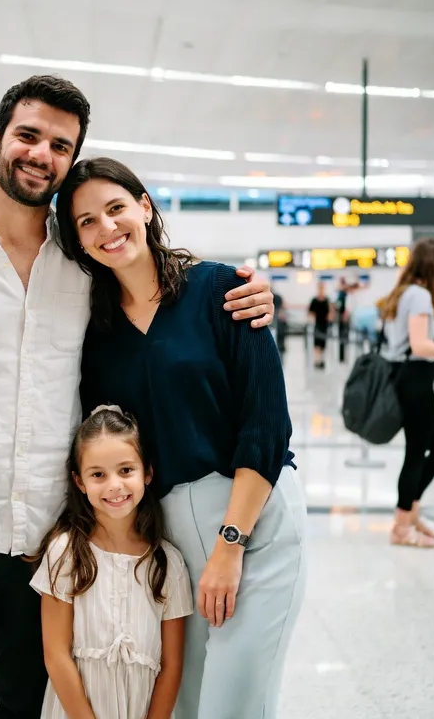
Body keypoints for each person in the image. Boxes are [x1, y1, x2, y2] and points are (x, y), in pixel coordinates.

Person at [0, 75, 276, 719]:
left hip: (47, 540)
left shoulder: (81, 262)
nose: (40, 154)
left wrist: (250, 292)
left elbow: (155, 299)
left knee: (27, 707)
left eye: (59, 145)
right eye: (27, 135)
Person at [58, 157, 306, 719]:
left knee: (235, 704)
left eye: (116, 208)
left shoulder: (221, 290)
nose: (107, 228)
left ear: (145, 207)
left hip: (253, 522)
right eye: (87, 221)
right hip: (168, 541)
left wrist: (230, 544)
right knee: (183, 703)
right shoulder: (98, 334)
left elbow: (266, 423)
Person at [31, 404, 194, 719]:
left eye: (126, 470)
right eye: (98, 475)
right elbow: (56, 655)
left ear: (147, 472)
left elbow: (172, 666)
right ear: (79, 482)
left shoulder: (168, 564)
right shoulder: (65, 551)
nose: (114, 485)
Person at [378, 239, 434, 548]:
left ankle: (410, 512)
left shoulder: (409, 292)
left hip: (411, 378)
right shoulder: (419, 295)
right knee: (417, 451)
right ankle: (402, 526)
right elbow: (419, 345)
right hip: (414, 379)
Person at [308, 283, 332, 369]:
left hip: (325, 324)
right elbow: (310, 312)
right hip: (317, 324)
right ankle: (317, 361)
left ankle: (322, 360)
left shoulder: (327, 300)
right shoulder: (314, 300)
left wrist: (330, 317)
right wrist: (311, 320)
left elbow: (330, 311)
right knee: (317, 344)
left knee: (323, 344)